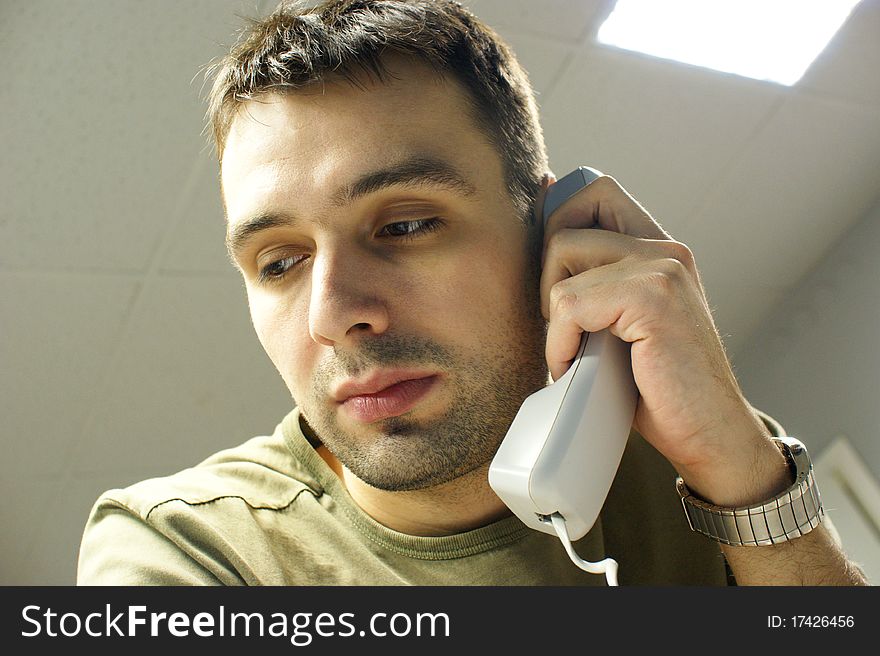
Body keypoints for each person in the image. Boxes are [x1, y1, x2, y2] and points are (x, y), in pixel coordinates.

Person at [77, 0, 866, 586]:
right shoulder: (184, 553)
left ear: (554, 232)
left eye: (408, 224)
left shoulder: (695, 459)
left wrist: (744, 474)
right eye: (279, 262)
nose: (333, 315)